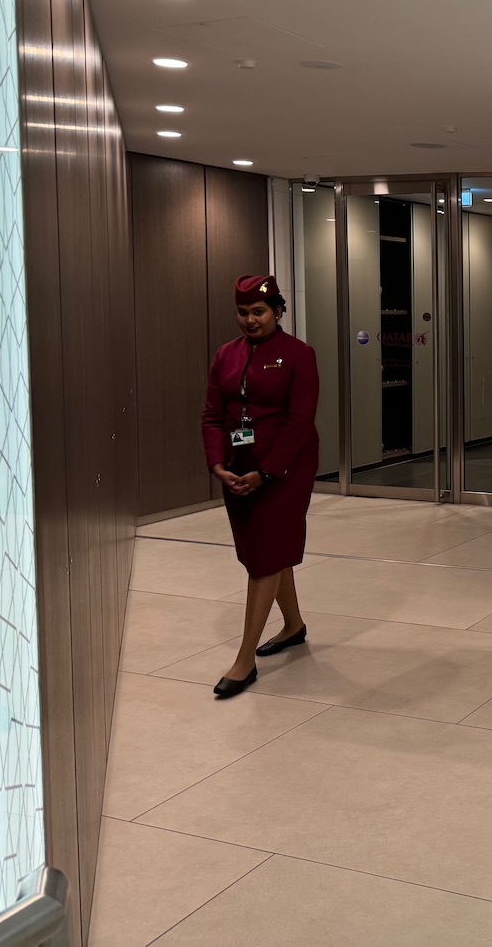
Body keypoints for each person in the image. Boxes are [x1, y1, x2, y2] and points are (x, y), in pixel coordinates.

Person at [201, 275, 320, 698]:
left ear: (278, 312)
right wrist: (218, 464)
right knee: (267, 551)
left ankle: (244, 659)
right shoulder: (225, 356)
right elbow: (213, 415)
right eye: (243, 312)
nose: (250, 320)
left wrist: (267, 472)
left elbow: (299, 421)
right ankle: (293, 625)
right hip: (238, 467)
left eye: (259, 312)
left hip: (286, 470)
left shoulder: (298, 355)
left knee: (264, 560)